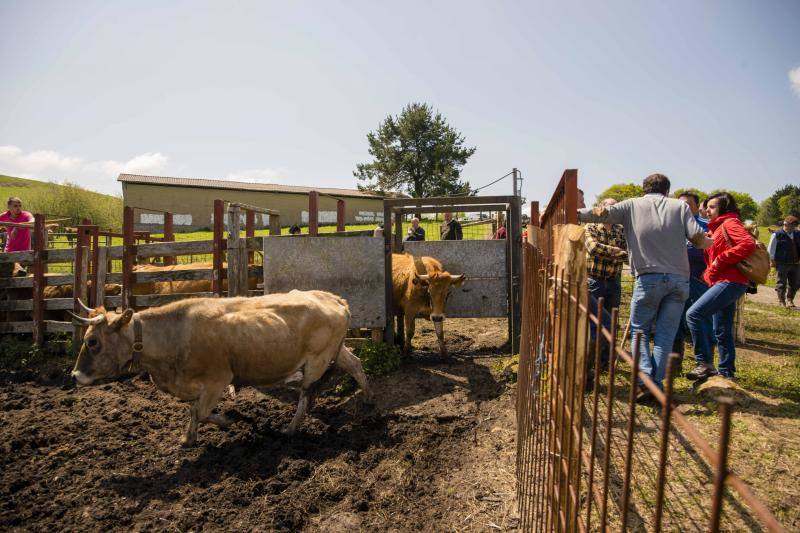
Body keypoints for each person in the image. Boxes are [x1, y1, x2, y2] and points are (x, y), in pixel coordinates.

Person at [578, 174, 710, 401]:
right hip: (679, 280)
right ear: (667, 191)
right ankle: (655, 384)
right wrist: (710, 242)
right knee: (665, 335)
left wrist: (573, 212)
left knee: (639, 332)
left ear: (643, 189)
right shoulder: (679, 207)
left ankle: (644, 381)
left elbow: (599, 213)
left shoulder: (631, 205)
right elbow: (698, 237)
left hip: (649, 278)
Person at [685, 192, 756, 381]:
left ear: (724, 208)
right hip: (723, 281)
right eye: (707, 207)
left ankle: (704, 363)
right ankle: (726, 372)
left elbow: (747, 244)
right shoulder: (716, 227)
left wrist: (718, 262)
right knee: (722, 329)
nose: (708, 210)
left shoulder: (730, 223)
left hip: (731, 281)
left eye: (713, 207)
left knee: (694, 314)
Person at [585, 198, 627, 370]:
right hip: (594, 280)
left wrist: (608, 251)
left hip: (614, 281)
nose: (611, 209)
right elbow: (593, 248)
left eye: (614, 207)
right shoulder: (591, 226)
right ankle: (589, 362)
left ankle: (604, 361)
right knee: (594, 321)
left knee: (611, 321)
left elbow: (630, 253)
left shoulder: (621, 229)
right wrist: (617, 251)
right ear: (600, 208)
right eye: (608, 206)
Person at [672, 192, 711, 359]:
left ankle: (704, 360)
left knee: (701, 319)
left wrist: (708, 271)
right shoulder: (671, 225)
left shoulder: (706, 226)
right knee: (674, 319)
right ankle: (675, 360)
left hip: (699, 279)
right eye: (680, 204)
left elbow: (715, 251)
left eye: (688, 204)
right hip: (676, 278)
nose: (684, 207)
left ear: (696, 207)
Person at [767, 215, 800, 307]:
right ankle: (782, 301)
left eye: (795, 226)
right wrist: (772, 259)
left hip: (796, 262)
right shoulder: (777, 234)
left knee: (796, 283)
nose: (794, 228)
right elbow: (771, 248)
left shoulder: (797, 233)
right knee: (781, 283)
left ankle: (790, 300)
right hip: (782, 262)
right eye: (792, 225)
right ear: (785, 224)